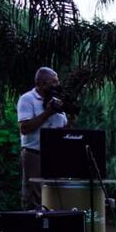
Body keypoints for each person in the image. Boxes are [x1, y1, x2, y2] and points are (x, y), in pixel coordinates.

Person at [16, 67, 69, 208]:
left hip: (55, 156)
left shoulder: (58, 101)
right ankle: (32, 227)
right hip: (34, 154)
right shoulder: (27, 99)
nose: (57, 85)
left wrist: (71, 121)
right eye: (53, 82)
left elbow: (63, 130)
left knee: (55, 196)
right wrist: (48, 113)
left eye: (57, 82)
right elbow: (24, 128)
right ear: (41, 83)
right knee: (33, 197)